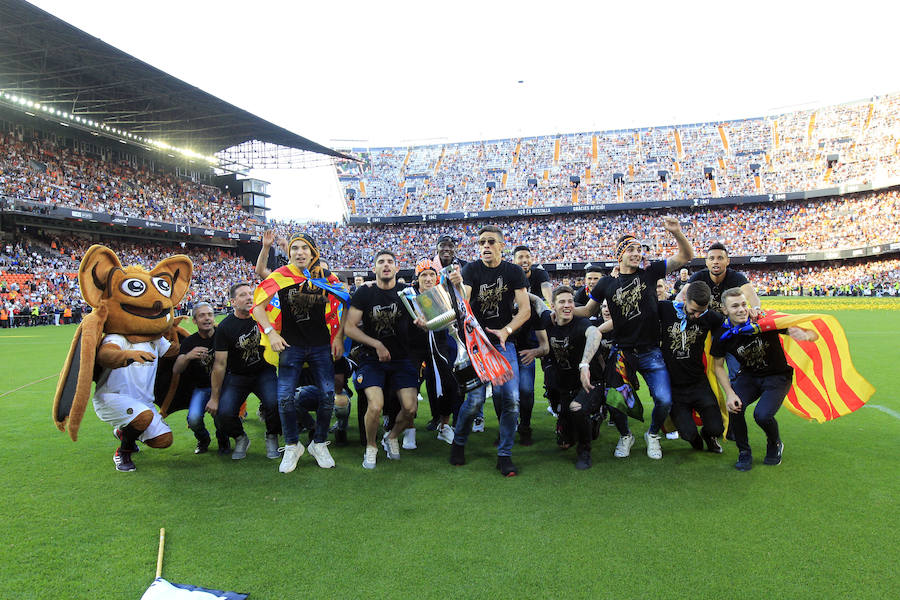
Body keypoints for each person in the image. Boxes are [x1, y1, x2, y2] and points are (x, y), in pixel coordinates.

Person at [574, 217, 694, 459]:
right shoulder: (606, 283)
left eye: (640, 250)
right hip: (622, 352)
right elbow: (588, 311)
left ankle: (652, 434)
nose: (637, 254)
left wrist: (677, 233)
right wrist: (560, 310)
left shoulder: (650, 274)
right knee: (615, 399)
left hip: (651, 351)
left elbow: (685, 257)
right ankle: (625, 435)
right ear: (619, 255)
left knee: (663, 399)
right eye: (631, 250)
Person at [251, 233, 346, 473]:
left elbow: (345, 302)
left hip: (321, 346)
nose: (300, 252)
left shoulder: (326, 277)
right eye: (295, 248)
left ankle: (319, 443)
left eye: (305, 248)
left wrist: (339, 336)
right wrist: (271, 333)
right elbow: (258, 307)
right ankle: (292, 445)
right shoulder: (281, 276)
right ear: (289, 253)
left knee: (327, 397)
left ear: (313, 252)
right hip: (290, 346)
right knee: (284, 398)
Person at [447, 225, 531, 477]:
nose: (485, 246)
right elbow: (464, 300)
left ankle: (504, 455)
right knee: (474, 400)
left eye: (491, 242)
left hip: (503, 343)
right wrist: (459, 286)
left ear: (501, 246)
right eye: (482, 242)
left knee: (511, 400)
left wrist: (506, 331)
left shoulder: (513, 271)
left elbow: (525, 310)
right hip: (476, 343)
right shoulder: (471, 269)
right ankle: (459, 442)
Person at [711, 288, 817, 471]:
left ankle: (775, 443)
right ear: (724, 310)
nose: (741, 309)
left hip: (777, 376)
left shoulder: (764, 321)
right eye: (735, 306)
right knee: (735, 408)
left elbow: (813, 334)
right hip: (750, 376)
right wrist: (729, 393)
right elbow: (718, 366)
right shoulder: (723, 334)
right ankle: (744, 452)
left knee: (762, 415)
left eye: (744, 304)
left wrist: (806, 335)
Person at [344, 250, 418, 470]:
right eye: (381, 262)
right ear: (374, 268)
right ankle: (371, 445)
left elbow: (423, 314)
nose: (386, 265)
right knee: (375, 406)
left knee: (410, 408)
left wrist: (423, 322)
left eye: (390, 262)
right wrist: (376, 344)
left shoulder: (407, 292)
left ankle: (392, 436)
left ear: (396, 268)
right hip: (371, 358)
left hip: (402, 358)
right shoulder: (364, 294)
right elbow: (349, 327)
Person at [207, 282, 281, 461]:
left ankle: (272, 436)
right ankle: (240, 437)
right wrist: (214, 397)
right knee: (224, 412)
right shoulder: (225, 327)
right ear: (233, 301)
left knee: (276, 402)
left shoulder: (263, 316)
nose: (249, 297)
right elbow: (219, 363)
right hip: (238, 375)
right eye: (243, 295)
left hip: (264, 372)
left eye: (251, 293)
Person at [541, 286, 604, 469]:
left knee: (576, 408)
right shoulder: (548, 322)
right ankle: (580, 424)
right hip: (564, 384)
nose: (567, 305)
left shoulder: (581, 323)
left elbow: (595, 333)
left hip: (590, 382)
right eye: (562, 302)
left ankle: (584, 451)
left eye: (570, 301)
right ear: (553, 305)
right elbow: (536, 302)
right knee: (564, 441)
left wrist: (584, 364)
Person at [657, 282, 724, 453]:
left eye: (702, 311)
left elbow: (730, 326)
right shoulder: (665, 309)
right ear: (685, 299)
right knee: (687, 433)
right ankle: (695, 439)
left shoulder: (710, 318)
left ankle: (709, 436)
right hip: (674, 388)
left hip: (699, 384)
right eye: (693, 311)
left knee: (717, 428)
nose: (696, 316)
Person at [408, 258, 462, 444]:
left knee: (449, 383)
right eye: (424, 275)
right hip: (414, 348)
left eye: (432, 274)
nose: (429, 278)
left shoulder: (442, 294)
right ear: (417, 278)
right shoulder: (409, 297)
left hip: (439, 345)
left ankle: (444, 425)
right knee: (409, 387)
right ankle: (408, 428)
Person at [172, 302, 228, 455]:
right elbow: (176, 369)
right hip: (202, 387)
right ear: (195, 320)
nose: (207, 318)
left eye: (210, 314)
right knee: (194, 419)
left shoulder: (222, 334)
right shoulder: (190, 342)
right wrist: (188, 356)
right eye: (202, 315)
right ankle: (203, 439)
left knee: (222, 415)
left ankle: (224, 441)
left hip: (223, 386)